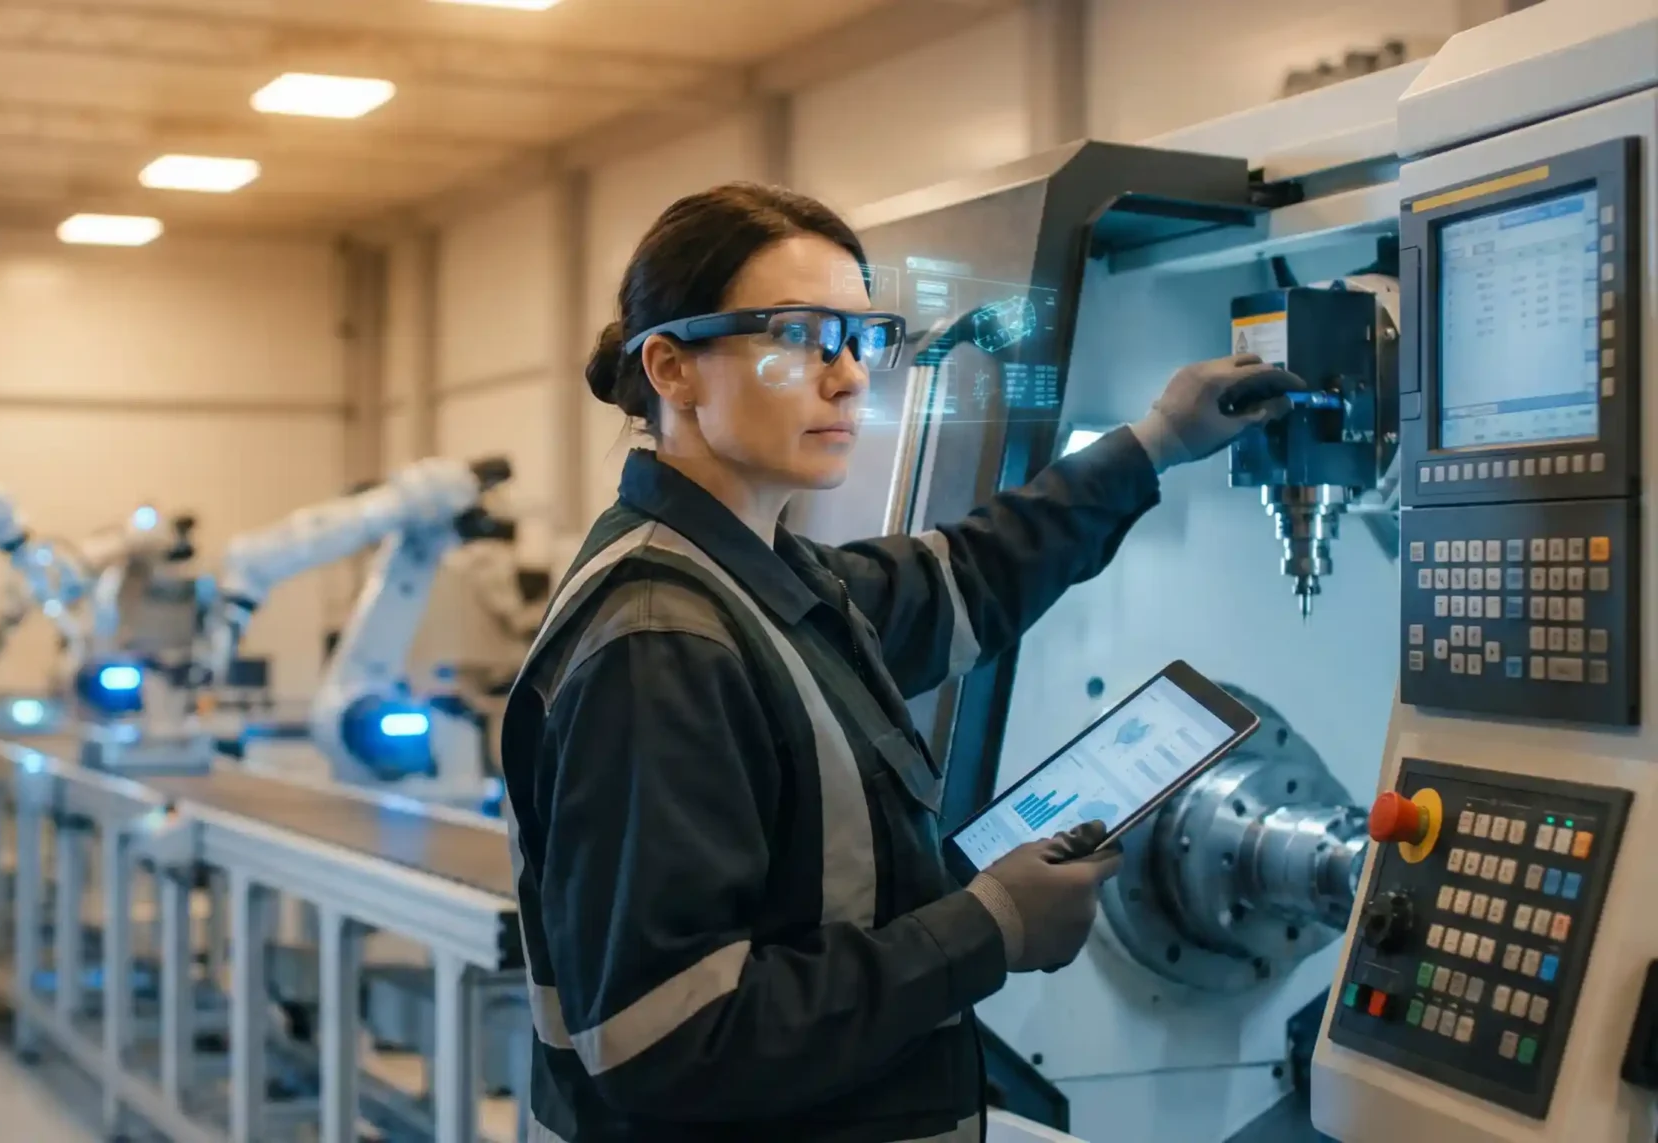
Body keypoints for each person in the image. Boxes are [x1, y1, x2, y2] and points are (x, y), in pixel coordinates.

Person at [499, 182, 1303, 1142]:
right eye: (798, 335)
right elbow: (669, 1040)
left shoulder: (766, 579)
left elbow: (968, 575)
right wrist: (987, 927)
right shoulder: (660, 640)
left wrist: (1158, 440)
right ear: (671, 368)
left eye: (860, 338)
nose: (848, 379)